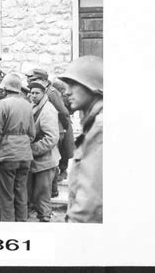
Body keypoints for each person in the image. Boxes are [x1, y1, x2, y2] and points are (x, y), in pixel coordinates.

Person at [58, 55, 103, 223]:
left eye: (74, 84)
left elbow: (89, 205)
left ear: (92, 86)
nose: (67, 91)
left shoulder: (100, 128)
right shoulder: (94, 124)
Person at [0, 73, 36, 222]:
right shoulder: (28, 105)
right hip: (25, 155)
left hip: (7, 155)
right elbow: (32, 134)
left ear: (5, 88)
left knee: (5, 195)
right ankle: (21, 223)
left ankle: (8, 228)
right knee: (21, 192)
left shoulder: (2, 104)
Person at [29, 68, 75, 196]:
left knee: (55, 157)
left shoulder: (51, 92)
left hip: (57, 127)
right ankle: (54, 188)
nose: (32, 82)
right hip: (52, 125)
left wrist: (65, 128)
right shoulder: (42, 91)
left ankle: (56, 183)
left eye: (35, 79)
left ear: (43, 80)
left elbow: (63, 111)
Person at [28, 82, 60, 222]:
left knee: (43, 197)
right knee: (36, 195)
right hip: (38, 161)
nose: (33, 95)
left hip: (45, 161)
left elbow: (51, 137)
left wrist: (32, 149)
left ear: (44, 94)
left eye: (37, 93)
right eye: (32, 92)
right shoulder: (35, 106)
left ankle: (45, 221)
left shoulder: (47, 110)